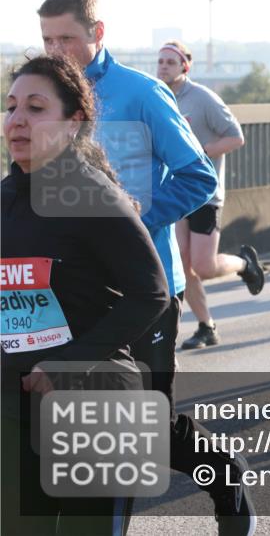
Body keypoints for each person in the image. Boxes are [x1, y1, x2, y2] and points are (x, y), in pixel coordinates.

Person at [37, 0, 256, 535]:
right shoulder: (40, 98)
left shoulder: (142, 94)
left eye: (67, 38)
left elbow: (199, 175)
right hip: (67, 292)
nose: (56, 50)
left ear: (97, 33)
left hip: (145, 287)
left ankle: (222, 474)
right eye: (46, 39)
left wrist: (137, 217)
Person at [2, 56, 170, 534]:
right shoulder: (5, 201)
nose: (16, 120)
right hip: (15, 412)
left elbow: (151, 293)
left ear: (74, 121)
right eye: (11, 107)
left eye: (35, 108)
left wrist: (67, 364)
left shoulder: (94, 197)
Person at [156, 40, 265, 351]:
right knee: (182, 265)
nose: (163, 66)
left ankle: (244, 264)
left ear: (184, 67)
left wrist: (200, 153)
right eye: (160, 61)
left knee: (203, 266)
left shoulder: (203, 98)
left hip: (205, 192)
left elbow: (236, 137)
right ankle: (207, 326)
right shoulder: (159, 97)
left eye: (170, 62)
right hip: (176, 192)